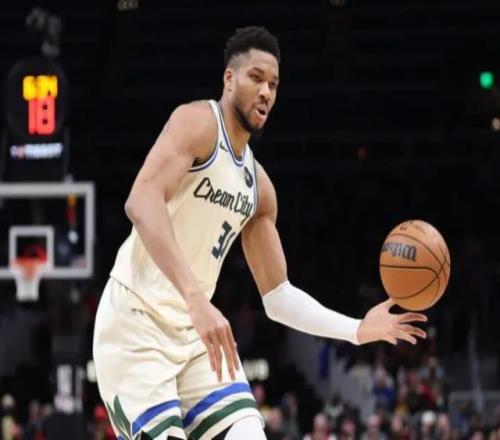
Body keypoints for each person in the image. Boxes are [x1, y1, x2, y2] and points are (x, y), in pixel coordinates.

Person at [92, 26, 427, 440]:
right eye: (256, 78)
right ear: (229, 79)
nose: (266, 91)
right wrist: (196, 299)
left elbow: (278, 296)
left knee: (250, 432)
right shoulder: (196, 122)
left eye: (274, 84)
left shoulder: (259, 188)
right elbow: (140, 201)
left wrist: (357, 330)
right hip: (135, 322)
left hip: (193, 334)